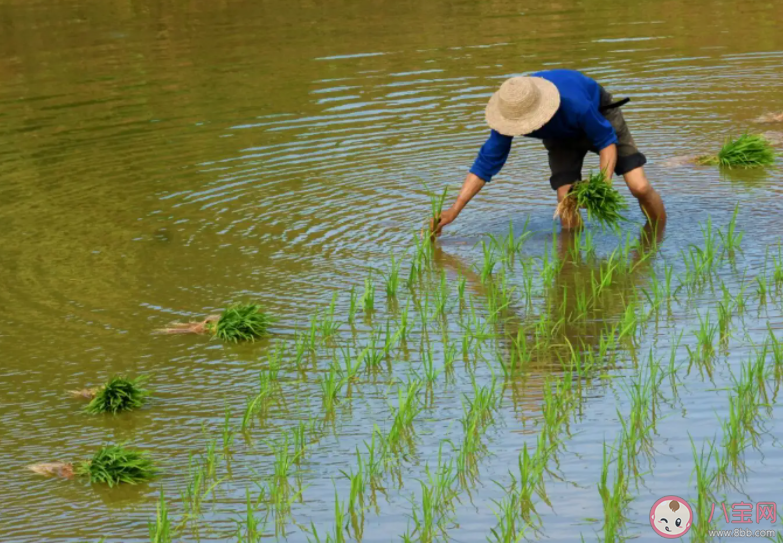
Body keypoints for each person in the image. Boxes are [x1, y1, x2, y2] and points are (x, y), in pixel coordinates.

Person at [431, 69, 666, 233]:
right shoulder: (509, 115)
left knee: (639, 186)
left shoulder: (575, 104)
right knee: (566, 203)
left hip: (600, 115)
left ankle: (657, 238)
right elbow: (484, 165)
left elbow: (606, 140)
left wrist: (601, 186)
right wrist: (454, 210)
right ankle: (572, 269)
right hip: (559, 135)